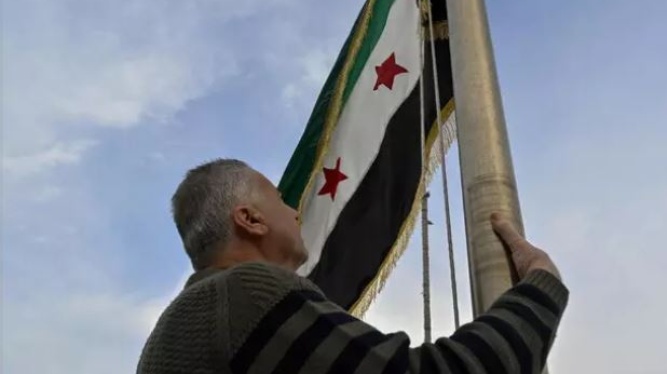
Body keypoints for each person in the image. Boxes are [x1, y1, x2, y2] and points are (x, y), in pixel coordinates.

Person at [138, 159, 568, 374]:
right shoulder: (244, 294)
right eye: (281, 199)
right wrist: (540, 286)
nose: (295, 212)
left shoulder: (186, 322)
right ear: (250, 219)